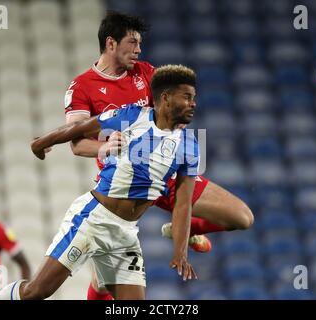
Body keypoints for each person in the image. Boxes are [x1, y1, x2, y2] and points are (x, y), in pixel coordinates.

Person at [62, 11, 254, 300]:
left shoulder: (146, 73)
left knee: (241, 217)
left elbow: (172, 113)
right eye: (133, 42)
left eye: (140, 43)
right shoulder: (82, 86)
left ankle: (183, 228)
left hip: (167, 172)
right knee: (103, 282)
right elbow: (77, 144)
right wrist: (103, 146)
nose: (139, 50)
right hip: (123, 186)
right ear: (111, 44)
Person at [0, 64, 199, 300]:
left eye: (194, 98)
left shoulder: (190, 146)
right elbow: (81, 126)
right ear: (166, 98)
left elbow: (182, 203)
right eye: (187, 97)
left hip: (125, 233)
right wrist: (41, 142)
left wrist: (180, 252)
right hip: (93, 219)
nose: (193, 104)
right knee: (36, 292)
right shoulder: (132, 116)